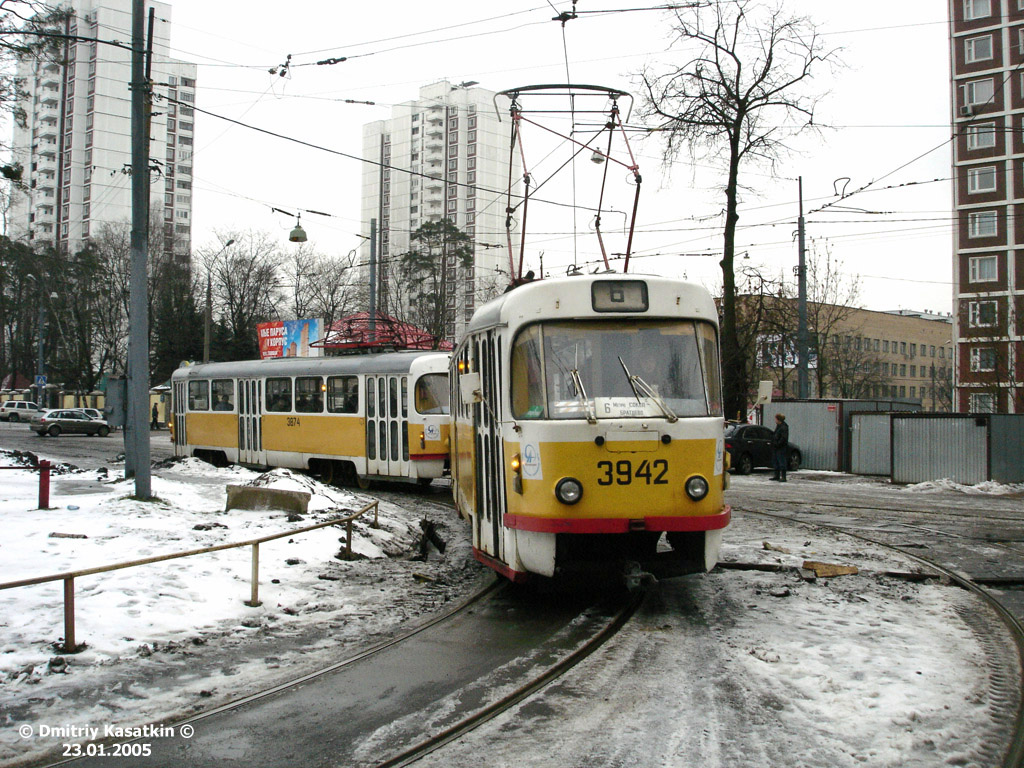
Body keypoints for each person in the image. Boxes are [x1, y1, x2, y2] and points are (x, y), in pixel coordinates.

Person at [771, 412, 789, 482]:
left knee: (781, 461)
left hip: (781, 447)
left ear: (779, 419)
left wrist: (778, 443)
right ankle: (776, 475)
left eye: (776, 419)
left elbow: (784, 438)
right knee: (776, 461)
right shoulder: (779, 426)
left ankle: (783, 477)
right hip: (776, 446)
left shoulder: (783, 427)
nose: (775, 420)